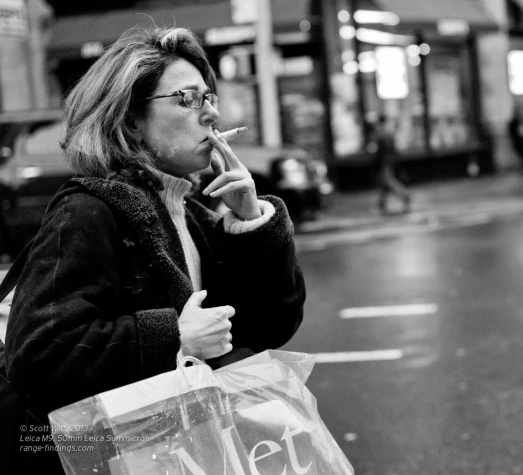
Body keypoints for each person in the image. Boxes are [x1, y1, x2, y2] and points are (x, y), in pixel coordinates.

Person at [1, 26, 306, 473]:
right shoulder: (88, 212)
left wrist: (251, 222)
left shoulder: (194, 214)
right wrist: (175, 337)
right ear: (129, 121)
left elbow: (270, 326)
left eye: (209, 98)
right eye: (188, 99)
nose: (211, 115)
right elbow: (41, 353)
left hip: (179, 453)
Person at [372, 115, 411, 214]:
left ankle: (405, 196)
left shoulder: (381, 135)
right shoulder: (388, 134)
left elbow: (379, 153)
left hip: (385, 164)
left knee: (388, 182)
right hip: (390, 163)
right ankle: (381, 204)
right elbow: (394, 150)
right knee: (384, 184)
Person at [507, 103, 523, 176]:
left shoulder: (520, 121)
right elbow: (515, 133)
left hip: (521, 142)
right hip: (519, 142)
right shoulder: (515, 122)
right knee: (521, 157)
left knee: (522, 157)